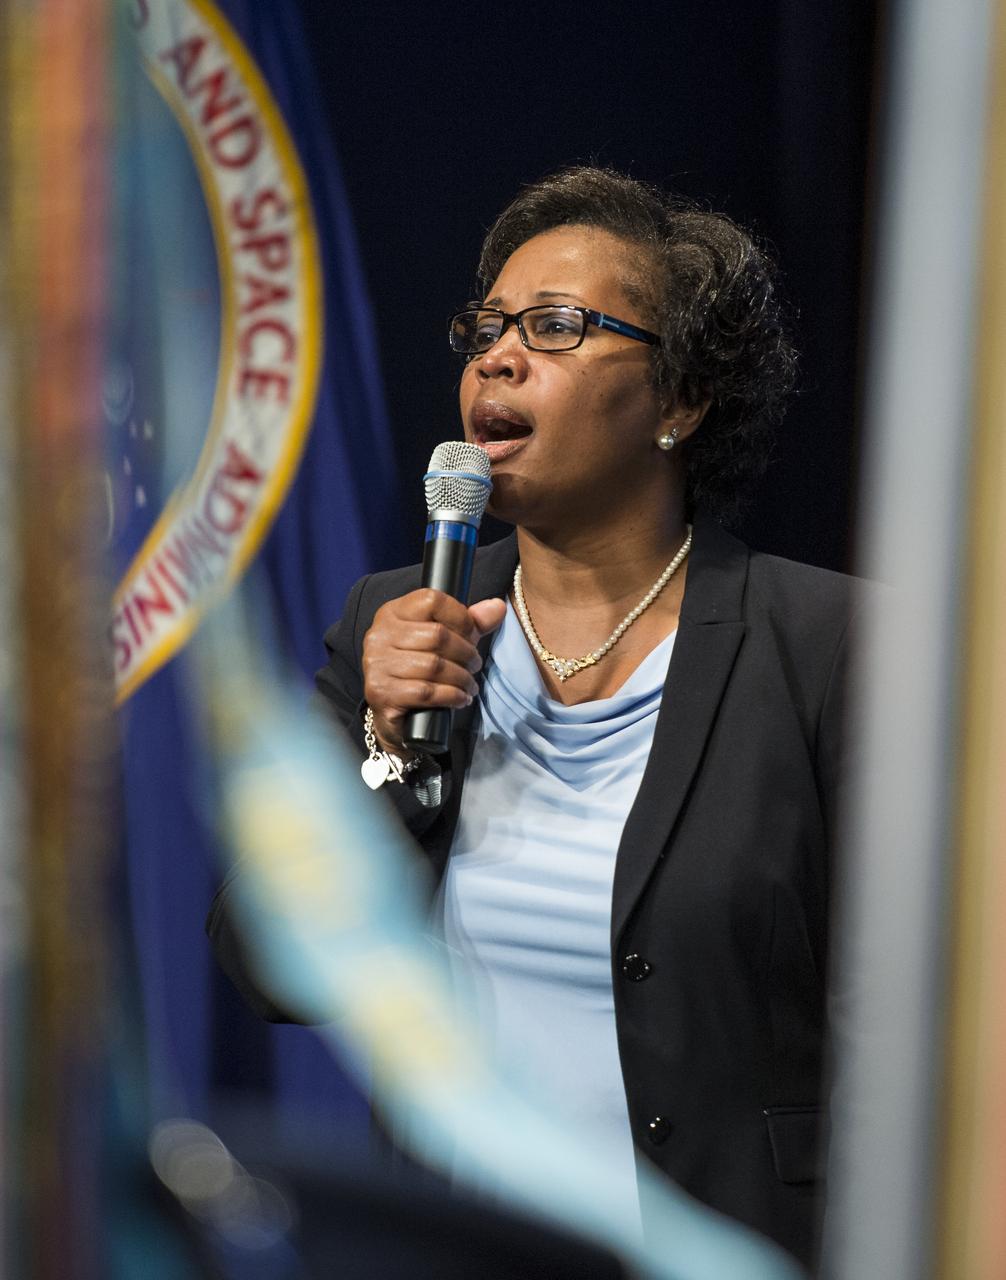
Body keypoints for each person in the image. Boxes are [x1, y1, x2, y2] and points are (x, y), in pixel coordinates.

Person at [210, 166, 863, 1270]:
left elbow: (912, 1028)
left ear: (680, 398)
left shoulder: (828, 642)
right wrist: (385, 737)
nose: (498, 357)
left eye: (556, 327)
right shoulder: (394, 622)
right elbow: (271, 962)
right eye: (487, 328)